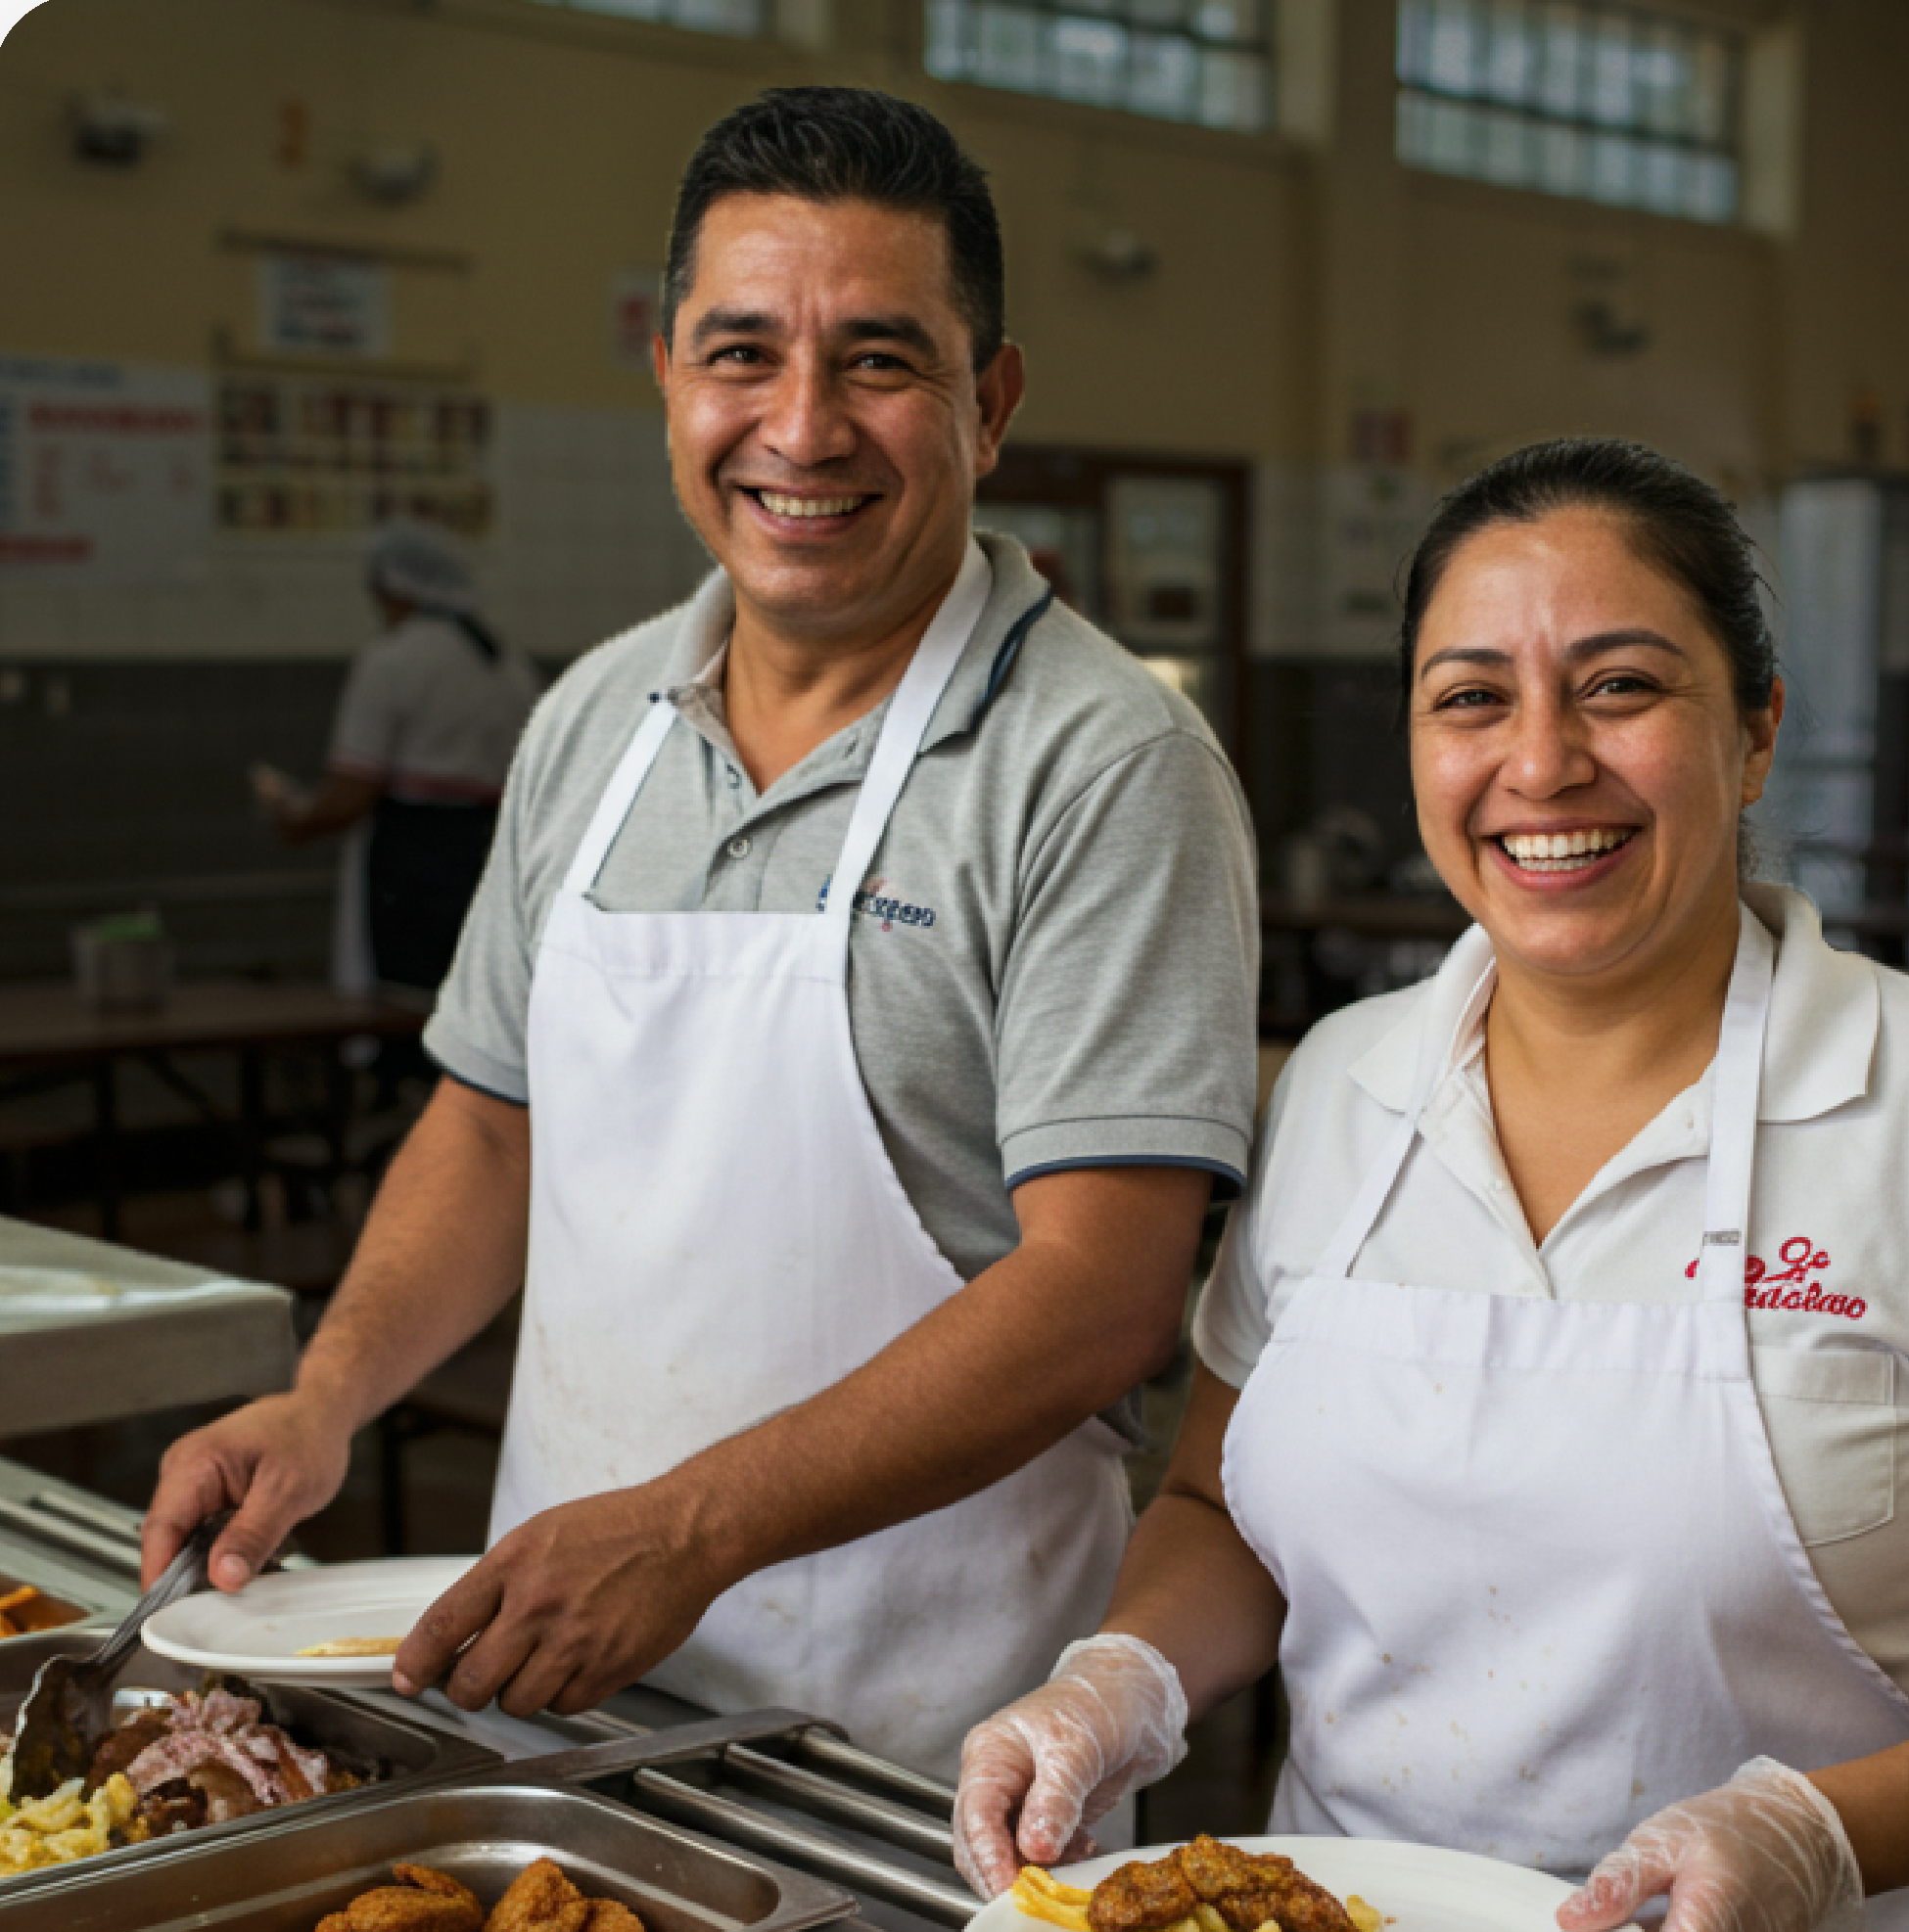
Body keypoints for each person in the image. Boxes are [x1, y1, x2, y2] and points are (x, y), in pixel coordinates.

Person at [953, 438, 1909, 1932]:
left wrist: (1818, 1833)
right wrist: (1118, 1676)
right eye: (1470, 698)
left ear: (1756, 728)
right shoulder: (1339, 1085)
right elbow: (1218, 1503)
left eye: (1621, 686)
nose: (1541, 764)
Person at [142, 87, 1260, 1778]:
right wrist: (328, 1394)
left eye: (880, 360)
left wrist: (689, 1530)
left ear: (992, 403)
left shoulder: (1103, 765)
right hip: (546, 1687)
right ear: (669, 375)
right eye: (742, 354)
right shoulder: (596, 720)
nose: (800, 429)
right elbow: (493, 1123)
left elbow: (1101, 1295)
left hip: (922, 1750)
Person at [254, 521, 540, 1000]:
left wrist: (290, 812)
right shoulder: (510, 661)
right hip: (498, 858)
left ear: (391, 589)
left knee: (405, 1007)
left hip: (415, 865)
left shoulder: (393, 660)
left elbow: (351, 794)